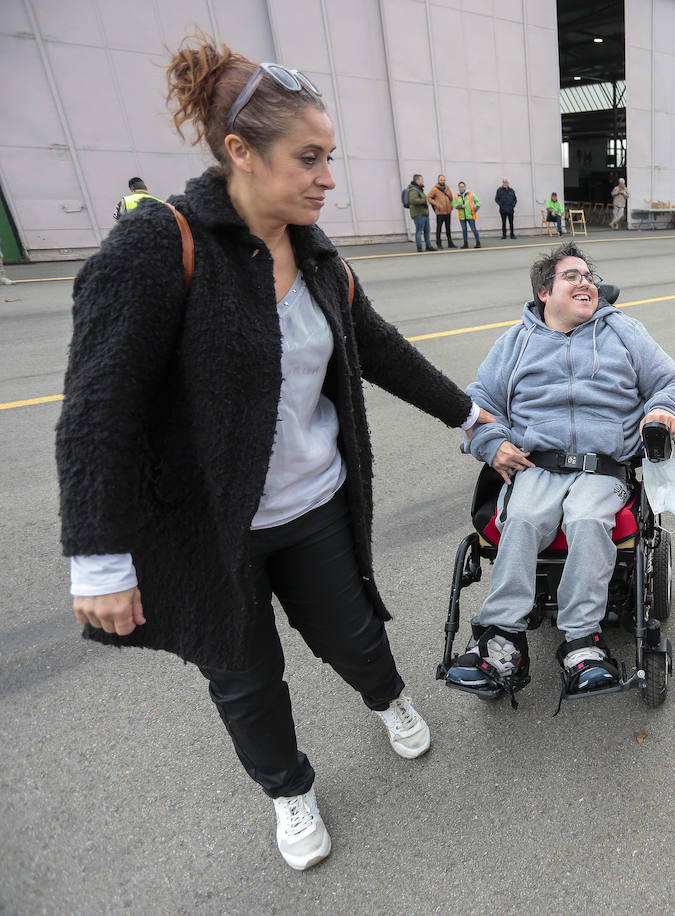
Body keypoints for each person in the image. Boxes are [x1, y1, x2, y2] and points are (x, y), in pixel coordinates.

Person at [55, 36, 493, 872]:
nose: (329, 177)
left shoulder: (319, 253)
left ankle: (388, 697)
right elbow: (96, 408)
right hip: (206, 530)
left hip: (313, 503)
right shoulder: (160, 247)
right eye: (310, 158)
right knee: (244, 674)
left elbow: (382, 351)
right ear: (240, 152)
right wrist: (98, 554)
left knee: (355, 634)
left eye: (330, 158)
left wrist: (472, 417)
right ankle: (289, 790)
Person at [452, 242, 675, 699]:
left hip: (603, 469)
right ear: (545, 292)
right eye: (571, 276)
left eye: (589, 276)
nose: (585, 282)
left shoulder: (623, 332)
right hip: (535, 466)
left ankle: (582, 644)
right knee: (521, 519)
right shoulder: (516, 342)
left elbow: (674, 383)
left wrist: (662, 413)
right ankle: (502, 639)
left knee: (586, 520)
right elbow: (478, 405)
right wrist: (491, 443)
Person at [408, 173, 435, 251]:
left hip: (424, 213)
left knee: (427, 230)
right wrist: (424, 201)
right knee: (419, 230)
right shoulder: (413, 190)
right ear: (417, 180)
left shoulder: (419, 189)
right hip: (418, 214)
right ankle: (419, 247)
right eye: (421, 179)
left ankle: (428, 246)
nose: (423, 181)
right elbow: (413, 200)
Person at [427, 173, 456, 248]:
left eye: (443, 180)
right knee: (439, 228)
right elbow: (428, 197)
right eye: (441, 179)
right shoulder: (434, 189)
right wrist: (436, 204)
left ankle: (450, 243)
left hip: (448, 211)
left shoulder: (447, 188)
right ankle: (439, 243)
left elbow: (451, 198)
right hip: (440, 212)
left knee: (448, 228)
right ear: (438, 180)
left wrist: (451, 205)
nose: (442, 181)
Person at [455, 180, 481, 248]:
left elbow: (478, 203)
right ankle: (465, 244)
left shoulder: (471, 194)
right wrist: (460, 206)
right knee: (464, 230)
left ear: (465, 187)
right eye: (460, 187)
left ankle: (478, 243)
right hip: (462, 216)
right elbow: (454, 205)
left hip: (470, 215)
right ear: (458, 188)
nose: (462, 188)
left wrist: (474, 210)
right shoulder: (456, 195)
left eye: (463, 187)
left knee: (473, 229)